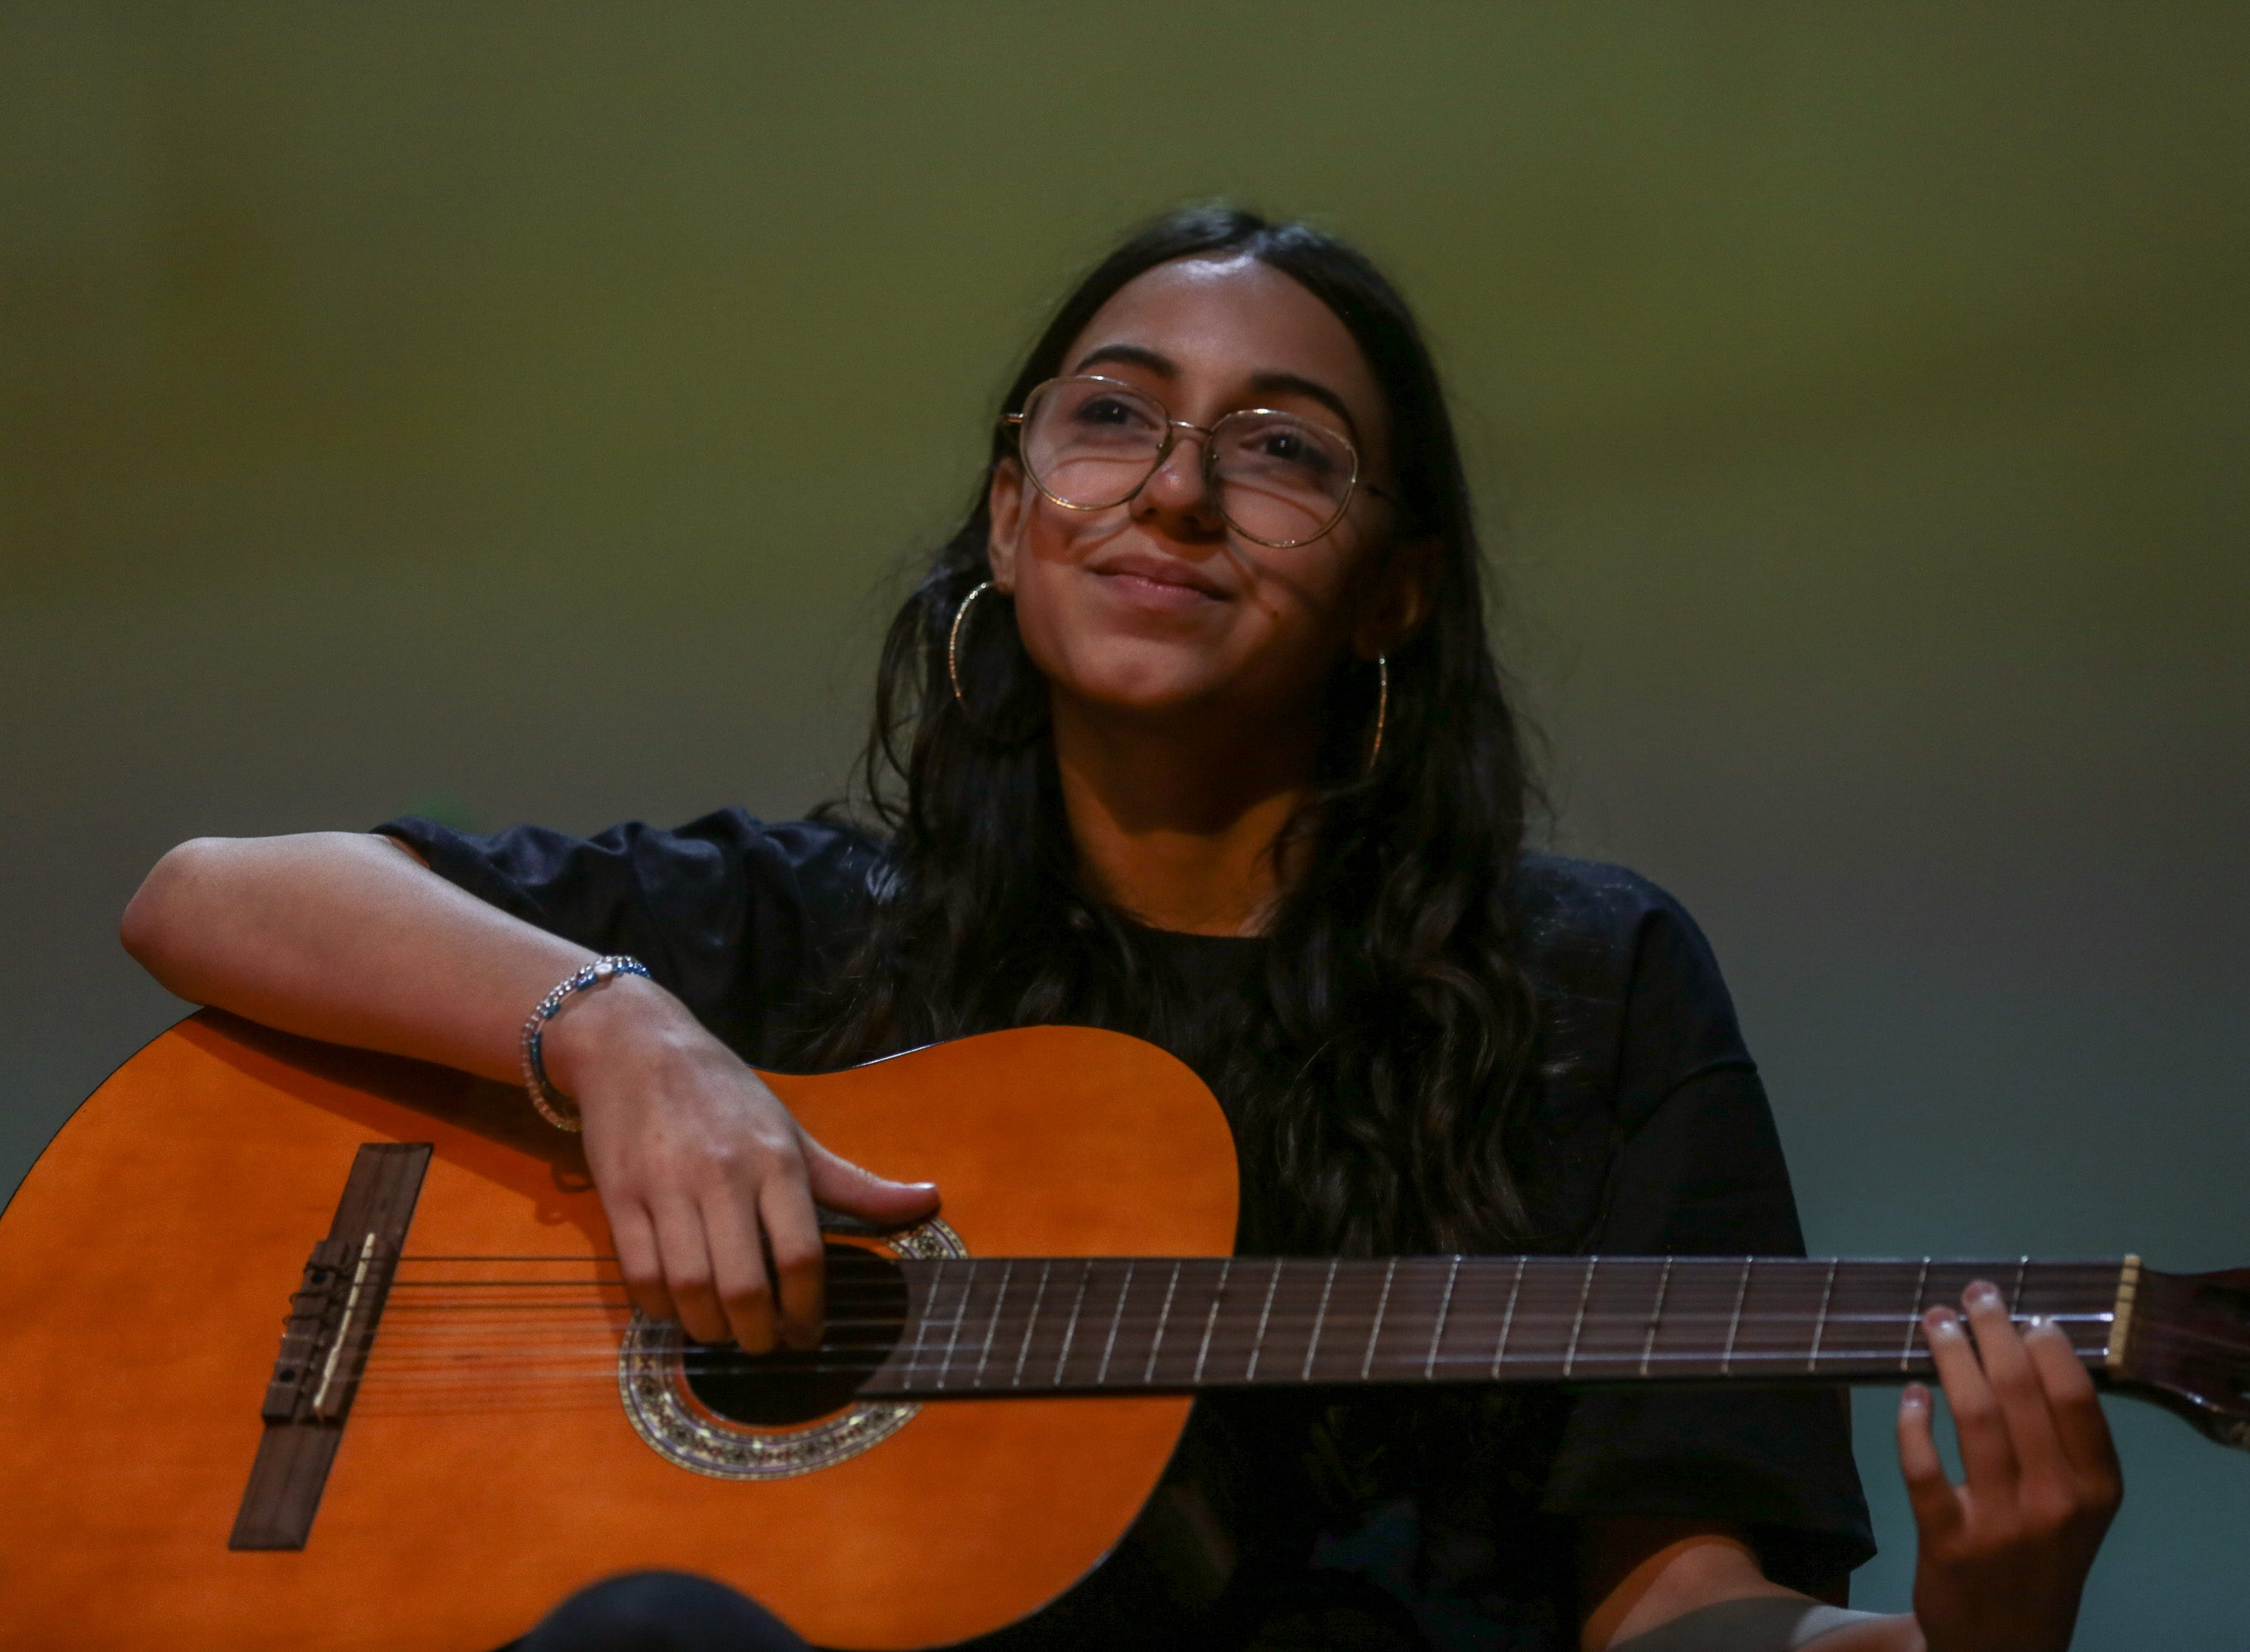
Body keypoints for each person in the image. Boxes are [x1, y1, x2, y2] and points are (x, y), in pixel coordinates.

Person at [121, 206, 2120, 1652]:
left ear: (1398, 592)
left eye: (1280, 452)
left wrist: (1959, 1647)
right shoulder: (823, 936)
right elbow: (208, 892)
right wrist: (625, 1038)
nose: (1174, 492)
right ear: (1011, 516)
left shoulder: (1582, 990)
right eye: (1113, 418)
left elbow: (1676, 1596)